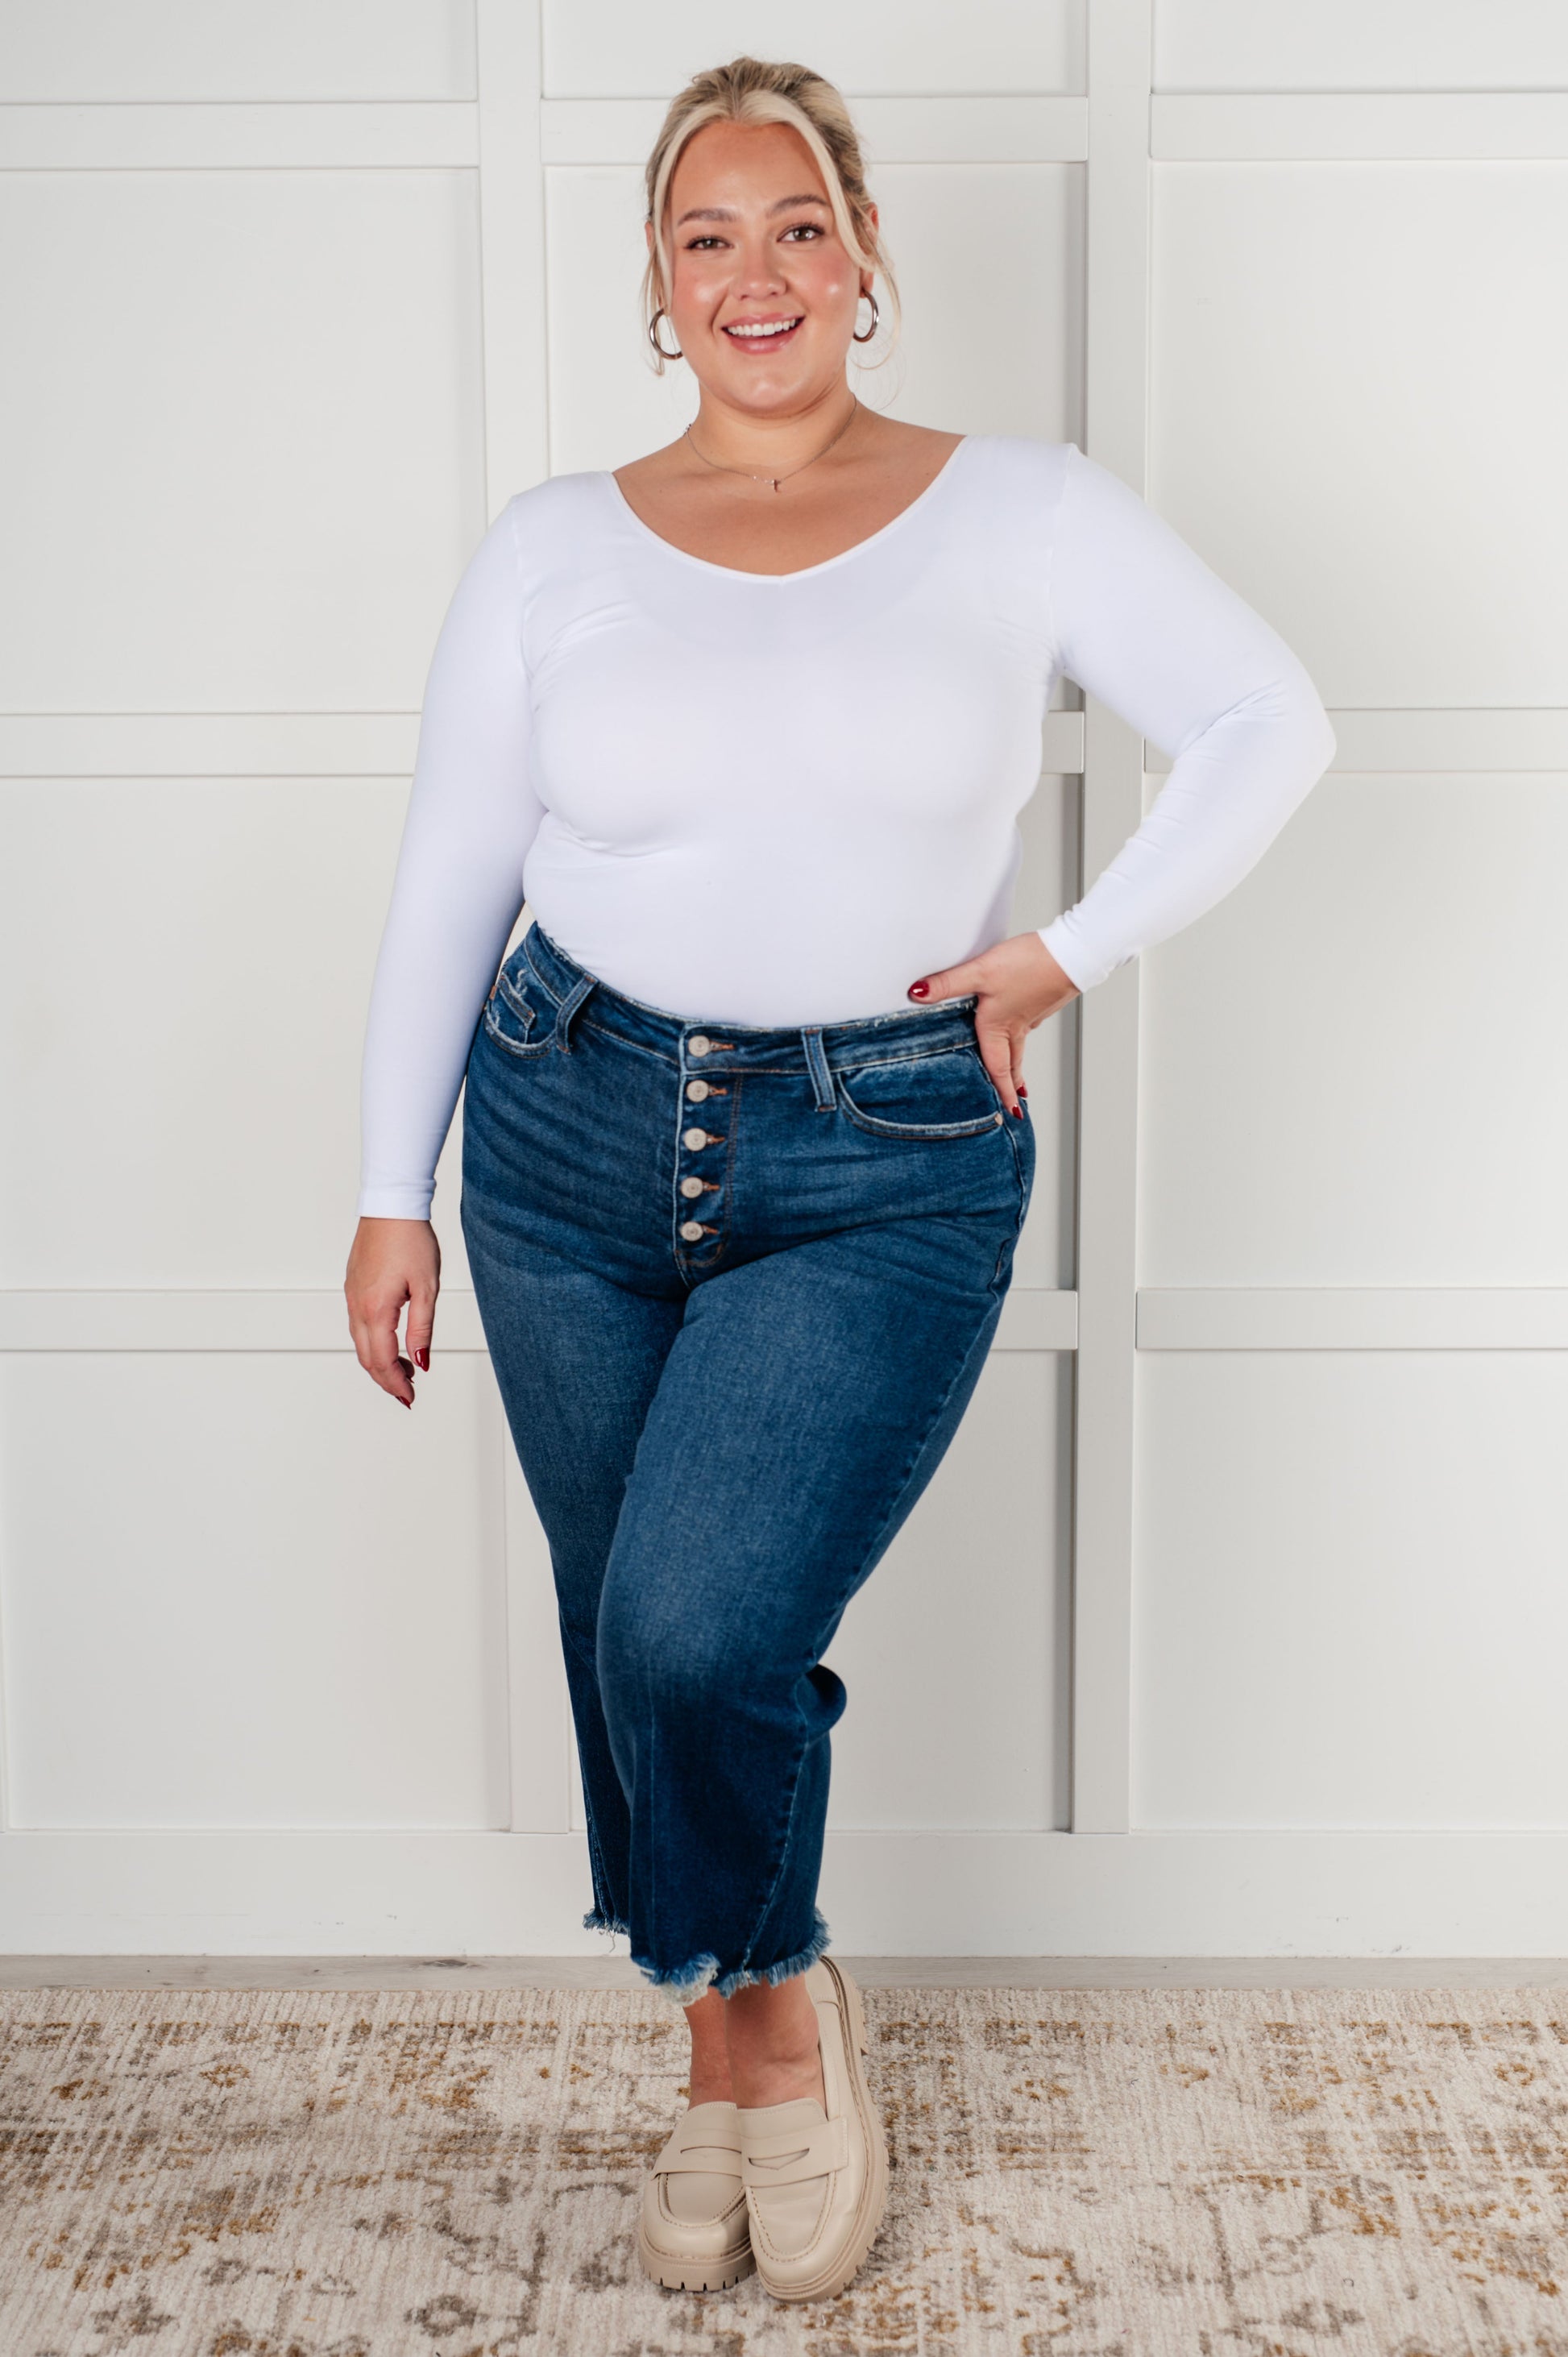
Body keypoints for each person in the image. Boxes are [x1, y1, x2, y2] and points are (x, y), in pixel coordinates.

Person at [343, 52, 1336, 2309]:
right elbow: (451, 867)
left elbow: (1267, 720)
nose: (756, 273)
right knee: (623, 1636)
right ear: (657, 282)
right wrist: (390, 1182)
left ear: (864, 252)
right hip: (564, 1123)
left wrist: (1066, 952)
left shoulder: (1019, 510)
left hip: (885, 1149)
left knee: (698, 1632)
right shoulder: (552, 548)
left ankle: (779, 2028)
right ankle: (730, 2059)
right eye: (706, 236)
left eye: (796, 224)